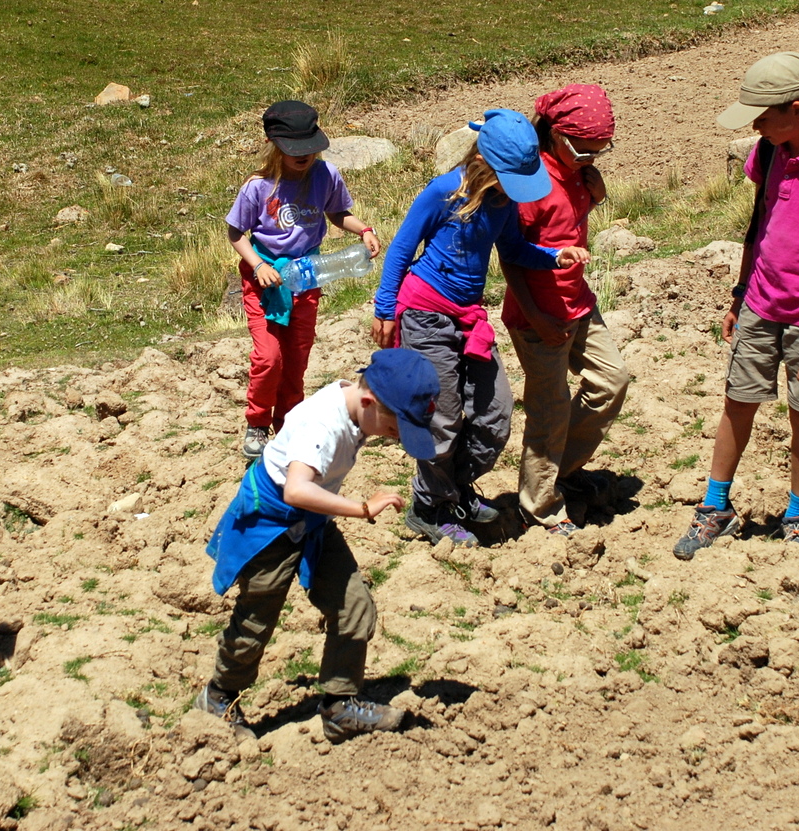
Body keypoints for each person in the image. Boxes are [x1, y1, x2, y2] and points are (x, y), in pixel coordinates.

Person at [673, 54, 799, 561]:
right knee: (737, 404)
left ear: (798, 110)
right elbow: (758, 227)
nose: (756, 126)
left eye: (762, 115)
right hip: (760, 306)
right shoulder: (768, 152)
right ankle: (715, 508)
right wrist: (741, 295)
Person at [199, 347, 441, 743]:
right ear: (369, 403)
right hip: (271, 523)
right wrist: (362, 509)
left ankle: (340, 705)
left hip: (314, 523)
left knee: (355, 607)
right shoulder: (322, 425)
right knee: (256, 619)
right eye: (396, 429)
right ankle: (219, 696)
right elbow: (296, 490)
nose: (396, 438)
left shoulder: (357, 406)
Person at [372, 109, 590, 548]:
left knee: (496, 417)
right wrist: (385, 308)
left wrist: (554, 256)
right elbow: (401, 248)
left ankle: (452, 491)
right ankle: (428, 508)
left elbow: (511, 247)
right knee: (443, 419)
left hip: (468, 317)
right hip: (426, 315)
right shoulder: (444, 192)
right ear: (487, 162)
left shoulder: (503, 200)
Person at [501, 86, 630, 536]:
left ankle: (561, 469)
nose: (590, 157)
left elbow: (567, 226)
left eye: (599, 150)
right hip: (539, 317)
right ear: (554, 134)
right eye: (582, 149)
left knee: (613, 381)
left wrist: (596, 195)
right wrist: (535, 316)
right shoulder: (531, 182)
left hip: (579, 303)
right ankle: (539, 505)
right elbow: (511, 257)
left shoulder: (580, 172)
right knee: (549, 410)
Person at [226, 101, 380, 460]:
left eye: (311, 149)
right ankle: (257, 423)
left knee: (296, 357)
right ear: (274, 144)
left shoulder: (326, 176)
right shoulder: (258, 187)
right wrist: (256, 265)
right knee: (269, 358)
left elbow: (338, 213)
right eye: (297, 150)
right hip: (265, 282)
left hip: (307, 277)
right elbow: (236, 231)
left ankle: (288, 423)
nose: (305, 156)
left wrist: (363, 230)